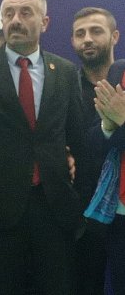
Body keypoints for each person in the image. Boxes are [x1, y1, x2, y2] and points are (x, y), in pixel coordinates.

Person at [0, 0, 85, 294]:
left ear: (45, 22)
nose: (15, 20)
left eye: (26, 13)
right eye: (8, 13)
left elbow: (78, 140)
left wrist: (81, 200)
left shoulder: (65, 72)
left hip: (54, 208)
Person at [70, 7, 119, 294]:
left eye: (96, 31)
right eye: (80, 34)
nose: (87, 39)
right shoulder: (63, 86)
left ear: (114, 36)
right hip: (82, 211)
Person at [86, 60, 125, 295]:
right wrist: (108, 126)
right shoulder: (119, 70)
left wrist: (123, 121)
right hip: (120, 213)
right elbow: (93, 142)